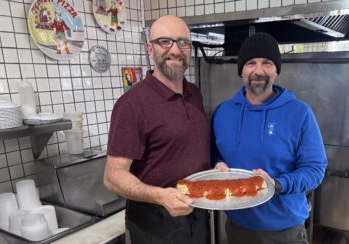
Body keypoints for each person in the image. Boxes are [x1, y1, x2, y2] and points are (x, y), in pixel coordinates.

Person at [211, 32, 328, 244]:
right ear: (241, 71)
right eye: (250, 63)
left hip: (284, 230)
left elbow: (315, 169)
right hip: (237, 226)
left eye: (267, 63)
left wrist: (277, 185)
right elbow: (214, 154)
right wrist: (217, 164)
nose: (258, 71)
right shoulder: (223, 112)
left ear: (276, 70)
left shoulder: (299, 113)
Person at [104, 15, 210, 244]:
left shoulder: (195, 94)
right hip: (155, 225)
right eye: (165, 42)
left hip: (197, 215)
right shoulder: (132, 104)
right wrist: (160, 196)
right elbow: (113, 177)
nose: (175, 50)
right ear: (150, 49)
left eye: (182, 42)